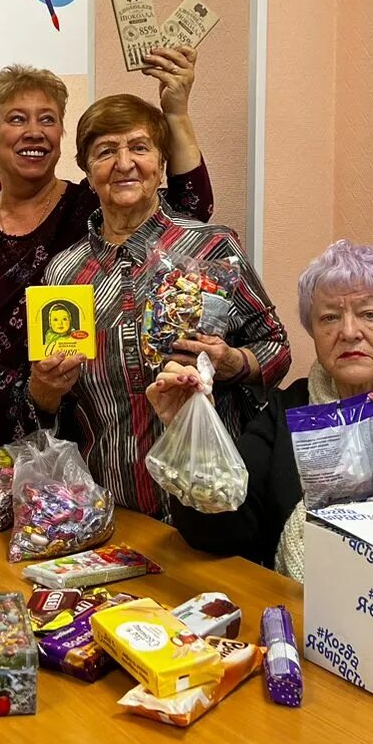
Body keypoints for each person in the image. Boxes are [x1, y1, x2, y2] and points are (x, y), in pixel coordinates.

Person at [146, 240, 373, 577]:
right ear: (312, 332)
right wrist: (192, 435)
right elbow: (222, 534)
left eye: (370, 314)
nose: (349, 332)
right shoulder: (291, 408)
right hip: (300, 615)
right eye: (329, 318)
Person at [31, 94, 287, 519]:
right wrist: (43, 390)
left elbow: (277, 346)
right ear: (87, 169)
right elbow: (49, 411)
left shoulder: (211, 246)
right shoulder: (63, 273)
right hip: (110, 508)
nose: (124, 163)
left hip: (208, 505)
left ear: (162, 162)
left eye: (139, 147)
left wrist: (232, 362)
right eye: (106, 151)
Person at [0, 55, 214, 444]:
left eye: (47, 119)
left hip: (65, 438)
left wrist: (177, 113)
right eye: (17, 119)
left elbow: (192, 208)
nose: (34, 131)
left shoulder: (90, 209)